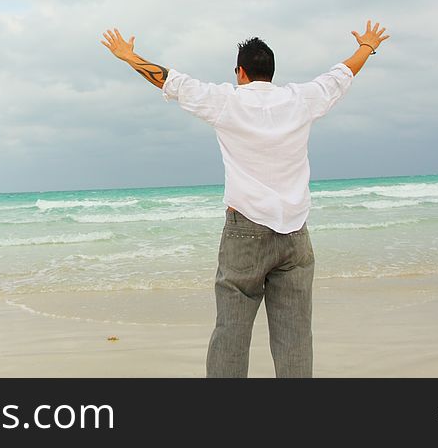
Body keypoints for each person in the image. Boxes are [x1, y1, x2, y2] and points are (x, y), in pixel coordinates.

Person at [101, 21, 390, 377]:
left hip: (245, 233)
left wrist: (129, 56)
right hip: (295, 234)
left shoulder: (227, 101)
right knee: (295, 337)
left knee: (231, 333)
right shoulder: (301, 99)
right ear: (271, 72)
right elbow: (342, 73)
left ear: (240, 71)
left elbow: (170, 81)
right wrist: (368, 46)